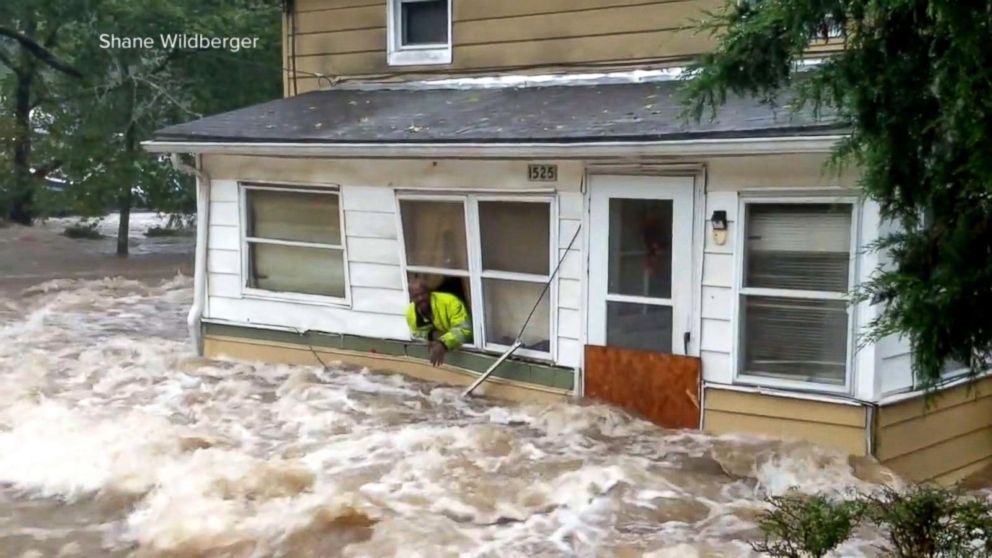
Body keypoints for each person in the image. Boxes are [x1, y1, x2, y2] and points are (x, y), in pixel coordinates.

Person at [406, 277, 473, 367]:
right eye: (416, 296)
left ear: (430, 292)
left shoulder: (450, 302)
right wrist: (431, 335)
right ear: (411, 298)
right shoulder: (410, 313)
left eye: (423, 294)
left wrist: (443, 344)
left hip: (466, 352)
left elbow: (465, 330)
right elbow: (416, 333)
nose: (420, 298)